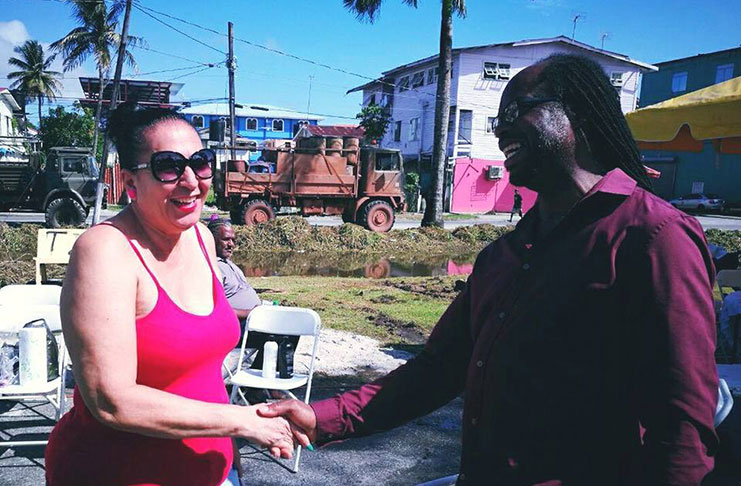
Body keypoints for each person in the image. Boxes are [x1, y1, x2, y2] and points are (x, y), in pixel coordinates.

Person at [260, 54, 719, 485]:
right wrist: (323, 417)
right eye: (498, 120)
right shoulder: (505, 253)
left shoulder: (654, 238)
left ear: (575, 113)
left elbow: (681, 429)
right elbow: (438, 369)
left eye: (517, 111)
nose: (501, 132)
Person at [45, 105, 301, 486]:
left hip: (211, 469)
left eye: (201, 163)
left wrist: (230, 449)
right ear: (131, 182)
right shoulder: (105, 251)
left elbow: (203, 372)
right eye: (168, 166)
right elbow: (111, 401)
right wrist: (242, 421)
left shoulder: (200, 238)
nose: (191, 181)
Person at [207, 217, 299, 382]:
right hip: (235, 327)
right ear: (210, 240)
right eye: (226, 239)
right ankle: (258, 387)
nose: (231, 244)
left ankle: (259, 384)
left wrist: (264, 307)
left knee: (293, 325)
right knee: (283, 332)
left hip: (253, 320)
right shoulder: (211, 267)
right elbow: (217, 309)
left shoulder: (229, 264)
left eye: (233, 240)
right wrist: (254, 313)